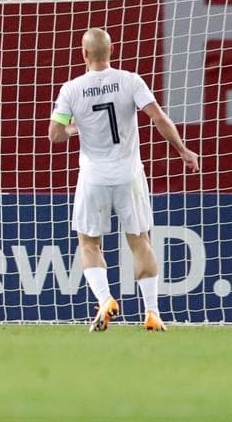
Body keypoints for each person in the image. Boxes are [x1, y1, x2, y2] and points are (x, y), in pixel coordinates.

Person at [48, 27, 200, 332]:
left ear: (84, 53)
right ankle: (152, 312)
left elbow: (55, 135)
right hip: (129, 174)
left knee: (89, 243)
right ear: (112, 50)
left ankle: (106, 300)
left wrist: (76, 127)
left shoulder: (71, 89)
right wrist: (183, 150)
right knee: (140, 241)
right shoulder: (130, 81)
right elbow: (159, 118)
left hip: (93, 177)